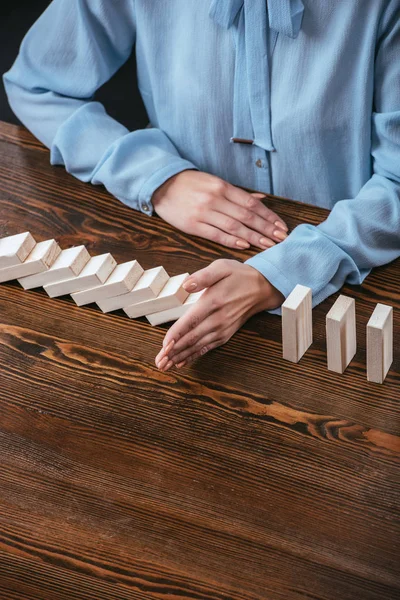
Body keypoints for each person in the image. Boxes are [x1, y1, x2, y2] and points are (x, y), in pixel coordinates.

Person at [4, 0, 400, 372]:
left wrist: (279, 275)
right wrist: (158, 178)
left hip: (353, 282)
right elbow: (36, 85)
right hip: (172, 257)